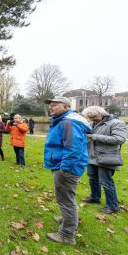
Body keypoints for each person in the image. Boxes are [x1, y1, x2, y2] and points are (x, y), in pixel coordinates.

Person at [43, 96, 91, 245]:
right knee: (66, 198)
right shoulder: (64, 120)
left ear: (66, 106)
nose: (51, 107)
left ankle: (66, 235)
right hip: (62, 165)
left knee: (66, 200)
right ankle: (66, 219)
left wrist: (65, 169)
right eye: (50, 105)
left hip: (65, 168)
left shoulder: (68, 122)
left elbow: (73, 147)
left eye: (55, 105)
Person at [81, 106, 127, 214]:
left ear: (102, 113)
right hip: (92, 157)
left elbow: (119, 139)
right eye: (90, 117)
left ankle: (112, 206)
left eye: (94, 116)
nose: (92, 119)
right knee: (92, 178)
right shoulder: (92, 123)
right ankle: (95, 197)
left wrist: (94, 136)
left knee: (106, 182)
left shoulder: (116, 123)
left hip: (107, 157)